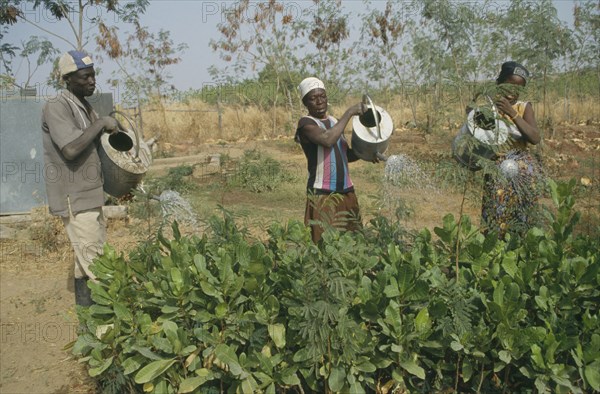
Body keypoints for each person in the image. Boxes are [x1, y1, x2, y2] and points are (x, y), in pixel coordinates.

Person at [41, 50, 118, 306]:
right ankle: (108, 333)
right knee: (99, 268)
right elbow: (71, 150)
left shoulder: (85, 107)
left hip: (91, 195)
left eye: (93, 75)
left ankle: (87, 327)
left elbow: (96, 153)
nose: (92, 81)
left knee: (84, 264)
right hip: (75, 196)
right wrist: (101, 124)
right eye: (85, 77)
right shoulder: (57, 106)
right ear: (68, 79)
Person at [295, 77, 368, 243]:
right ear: (305, 103)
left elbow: (345, 155)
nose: (320, 101)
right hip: (322, 194)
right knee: (323, 243)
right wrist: (349, 112)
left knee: (353, 242)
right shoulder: (306, 124)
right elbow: (327, 140)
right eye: (313, 98)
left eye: (323, 96)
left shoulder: (335, 122)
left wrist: (366, 152)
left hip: (346, 191)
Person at [479, 61, 543, 239]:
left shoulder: (523, 107)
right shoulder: (489, 106)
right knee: (495, 212)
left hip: (522, 167)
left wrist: (512, 113)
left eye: (519, 88)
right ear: (499, 83)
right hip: (496, 165)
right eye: (510, 85)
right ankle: (493, 251)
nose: (513, 92)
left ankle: (520, 250)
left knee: (522, 210)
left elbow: (535, 137)